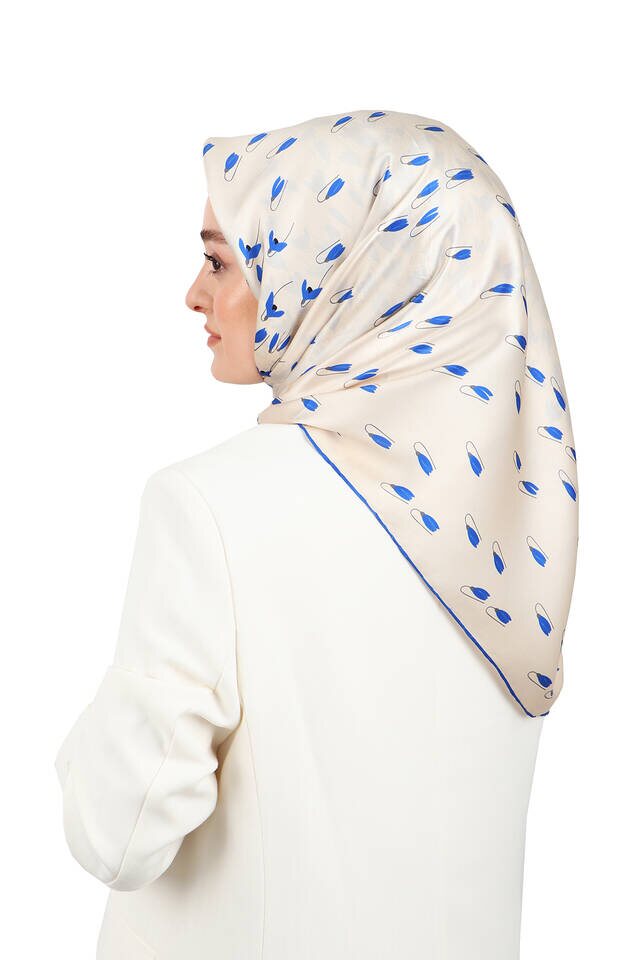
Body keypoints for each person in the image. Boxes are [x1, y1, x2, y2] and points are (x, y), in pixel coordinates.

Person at [54, 109, 578, 960]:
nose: (194, 294)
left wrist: (85, 745)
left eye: (221, 260)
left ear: (344, 271)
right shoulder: (519, 528)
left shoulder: (207, 506)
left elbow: (117, 834)